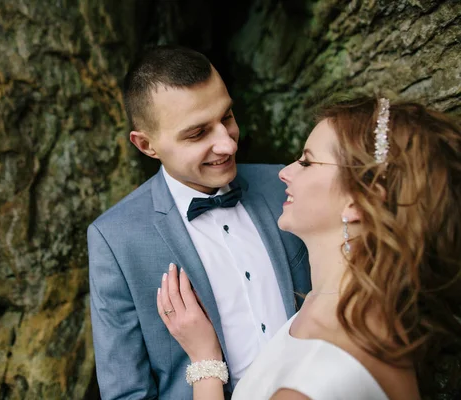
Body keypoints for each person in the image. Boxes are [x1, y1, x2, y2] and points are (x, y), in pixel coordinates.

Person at [157, 96, 461, 399]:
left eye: (307, 161)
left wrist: (205, 362)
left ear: (359, 199)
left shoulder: (315, 382)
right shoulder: (360, 310)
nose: (284, 172)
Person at [88, 45, 311, 399]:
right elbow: (127, 392)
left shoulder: (286, 184)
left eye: (227, 117)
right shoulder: (116, 239)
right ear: (146, 145)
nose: (227, 145)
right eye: (197, 134)